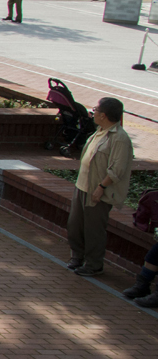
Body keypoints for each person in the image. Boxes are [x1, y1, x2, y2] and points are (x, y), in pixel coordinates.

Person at [68, 97, 132, 278]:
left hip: (97, 192)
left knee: (93, 230)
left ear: (103, 115)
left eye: (95, 109)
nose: (92, 112)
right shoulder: (100, 131)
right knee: (75, 225)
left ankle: (94, 265)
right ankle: (77, 257)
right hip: (82, 187)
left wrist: (101, 187)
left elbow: (117, 170)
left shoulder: (119, 138)